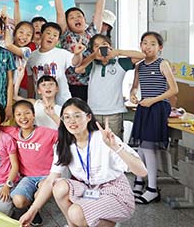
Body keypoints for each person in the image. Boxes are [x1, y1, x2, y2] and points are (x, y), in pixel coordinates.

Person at [19, 98, 147, 227]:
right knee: (59, 186)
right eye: (67, 117)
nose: (72, 121)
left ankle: (109, 224)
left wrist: (115, 147)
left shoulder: (104, 139)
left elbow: (142, 171)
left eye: (77, 116)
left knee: (76, 212)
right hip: (89, 189)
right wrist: (31, 212)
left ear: (88, 117)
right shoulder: (64, 144)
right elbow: (50, 180)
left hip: (115, 192)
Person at [129, 32, 179, 204]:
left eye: (152, 44)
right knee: (141, 148)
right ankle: (139, 181)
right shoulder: (139, 66)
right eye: (144, 43)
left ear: (160, 48)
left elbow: (174, 89)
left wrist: (153, 100)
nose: (148, 47)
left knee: (148, 148)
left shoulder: (163, 63)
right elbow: (135, 86)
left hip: (158, 107)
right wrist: (133, 94)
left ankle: (152, 189)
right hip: (144, 107)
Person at [50, 0, 111, 102]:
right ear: (67, 23)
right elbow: (60, 13)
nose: (76, 18)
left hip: (93, 83)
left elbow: (99, 10)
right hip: (72, 85)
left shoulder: (92, 32)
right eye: (72, 18)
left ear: (84, 19)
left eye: (79, 16)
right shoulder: (66, 34)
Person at [75, 34, 145, 137]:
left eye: (104, 44)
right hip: (94, 111)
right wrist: (93, 56)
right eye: (96, 46)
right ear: (92, 50)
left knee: (115, 142)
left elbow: (142, 56)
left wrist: (118, 52)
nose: (101, 48)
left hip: (114, 112)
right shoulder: (91, 64)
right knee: (95, 141)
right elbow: (78, 69)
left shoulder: (119, 63)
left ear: (110, 46)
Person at [26, 22, 84, 106]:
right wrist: (30, 98)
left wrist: (78, 54)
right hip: (42, 102)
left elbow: (75, 63)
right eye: (48, 33)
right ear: (41, 35)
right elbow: (30, 79)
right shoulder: (31, 56)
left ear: (58, 41)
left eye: (55, 35)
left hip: (62, 102)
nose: (51, 37)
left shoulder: (62, 53)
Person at [2, 20, 36, 98]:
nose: (24, 37)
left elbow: (9, 45)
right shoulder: (3, 46)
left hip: (20, 88)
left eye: (28, 35)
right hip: (3, 86)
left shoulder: (27, 51)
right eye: (21, 32)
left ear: (31, 39)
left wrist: (6, 24)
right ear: (14, 33)